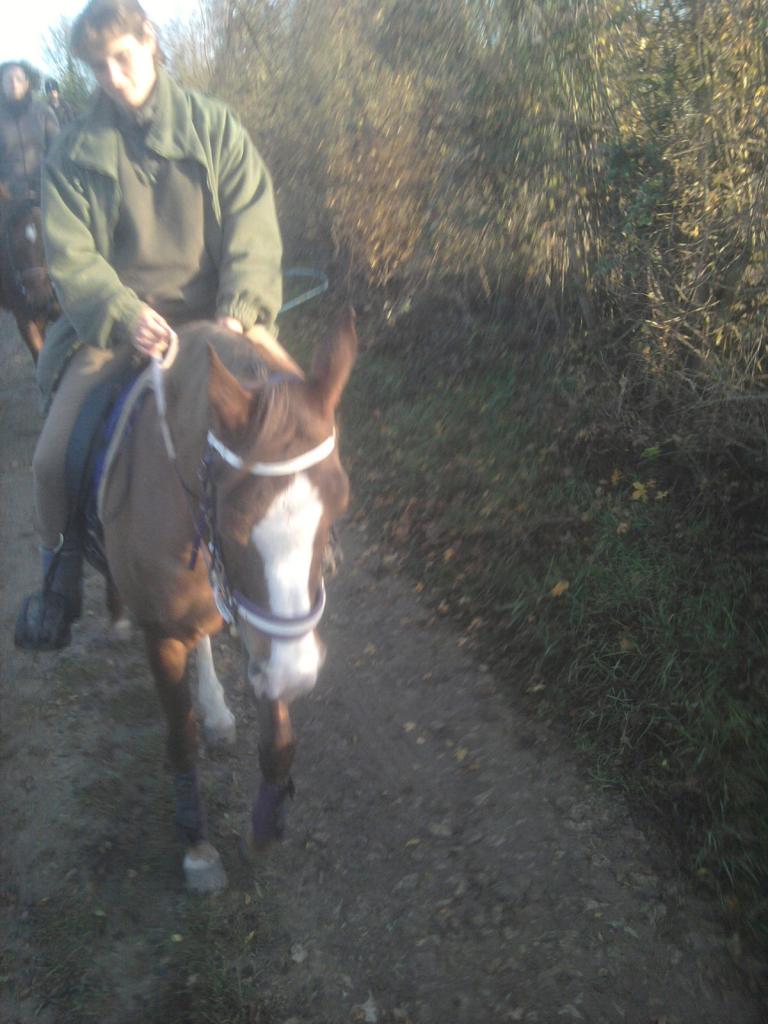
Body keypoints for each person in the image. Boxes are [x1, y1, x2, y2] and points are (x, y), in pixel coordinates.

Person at [16, 0, 299, 650]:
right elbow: (72, 257)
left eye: (123, 56)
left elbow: (252, 222)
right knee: (51, 456)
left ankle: (312, 544)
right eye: (99, 66)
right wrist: (123, 314)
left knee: (303, 406)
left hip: (217, 313)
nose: (114, 76)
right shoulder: (73, 152)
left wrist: (241, 306)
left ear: (151, 42)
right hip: (118, 328)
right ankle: (58, 585)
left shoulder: (214, 126)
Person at [0, 61, 59, 202]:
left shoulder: (44, 112)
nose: (13, 84)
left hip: (45, 196)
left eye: (19, 79)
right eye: (8, 80)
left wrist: (51, 187)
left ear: (27, 83)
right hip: (7, 199)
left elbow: (58, 151)